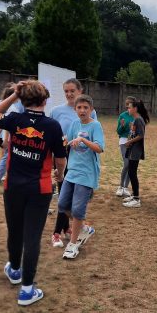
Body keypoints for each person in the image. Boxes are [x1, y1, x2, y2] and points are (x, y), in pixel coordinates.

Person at [0, 80, 67, 306]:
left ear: (23, 100)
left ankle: (15, 269)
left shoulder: (15, 119)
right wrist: (59, 174)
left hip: (13, 186)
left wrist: (14, 95)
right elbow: (60, 158)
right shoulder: (52, 126)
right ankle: (26, 290)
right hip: (39, 189)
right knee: (32, 236)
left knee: (15, 231)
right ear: (45, 100)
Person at [49, 79, 97, 247]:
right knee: (64, 196)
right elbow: (51, 135)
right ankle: (57, 233)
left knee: (72, 199)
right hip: (61, 157)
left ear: (80, 91)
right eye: (66, 91)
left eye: (72, 91)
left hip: (81, 160)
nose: (69, 94)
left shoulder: (91, 112)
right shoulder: (56, 111)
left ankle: (67, 229)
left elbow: (94, 137)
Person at [59, 94, 105, 260]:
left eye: (86, 107)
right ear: (75, 109)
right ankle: (84, 228)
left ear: (91, 109)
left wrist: (84, 141)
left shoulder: (95, 126)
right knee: (62, 204)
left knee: (78, 210)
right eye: (79, 107)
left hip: (86, 174)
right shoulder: (74, 124)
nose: (82, 110)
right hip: (71, 172)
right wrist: (63, 140)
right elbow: (68, 141)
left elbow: (99, 148)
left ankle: (72, 245)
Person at [122, 99, 150, 208]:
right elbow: (134, 133)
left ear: (135, 109)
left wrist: (130, 142)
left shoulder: (139, 119)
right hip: (132, 150)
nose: (128, 109)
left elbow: (141, 135)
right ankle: (134, 195)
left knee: (132, 173)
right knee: (131, 172)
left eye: (129, 107)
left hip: (135, 151)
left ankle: (136, 199)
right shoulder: (135, 119)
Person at [0, 86, 21, 183]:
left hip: (6, 135)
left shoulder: (4, 105)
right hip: (9, 136)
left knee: (7, 155)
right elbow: (8, 126)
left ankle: (0, 174)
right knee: (7, 156)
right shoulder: (12, 108)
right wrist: (6, 139)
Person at [115, 96, 136, 197]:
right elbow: (118, 131)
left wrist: (133, 128)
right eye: (126, 104)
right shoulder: (122, 115)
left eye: (129, 104)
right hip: (123, 141)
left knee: (131, 164)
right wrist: (122, 126)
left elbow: (139, 132)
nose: (127, 106)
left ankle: (125, 187)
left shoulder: (136, 116)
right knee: (127, 163)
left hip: (133, 142)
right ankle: (120, 186)